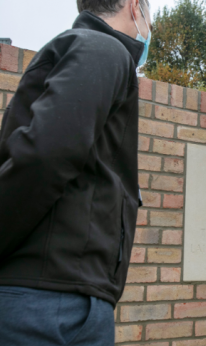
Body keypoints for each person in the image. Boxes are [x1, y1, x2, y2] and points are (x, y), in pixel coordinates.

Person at [0, 0, 152, 344]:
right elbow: (46, 155)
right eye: (149, 16)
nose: (149, 29)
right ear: (133, 7)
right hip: (48, 306)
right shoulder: (103, 48)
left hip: (57, 297)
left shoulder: (91, 50)